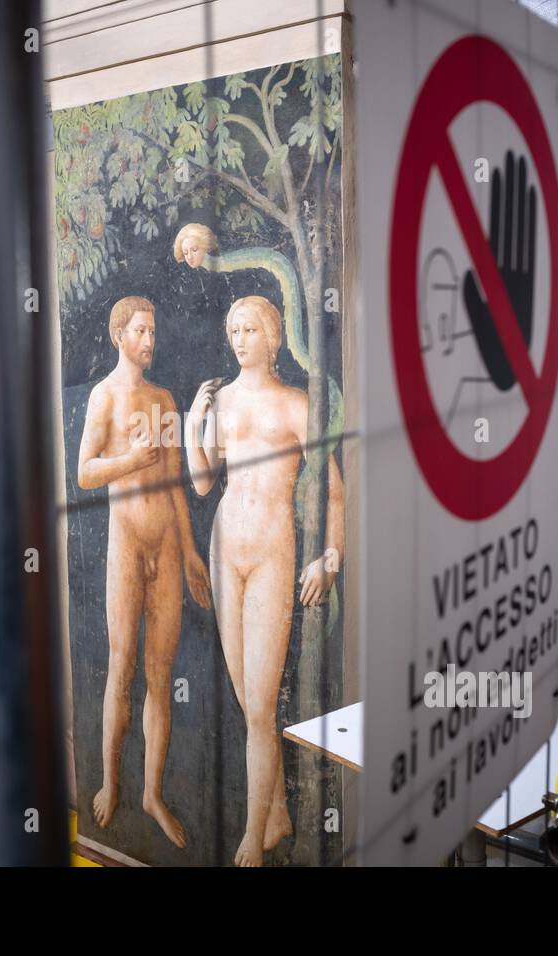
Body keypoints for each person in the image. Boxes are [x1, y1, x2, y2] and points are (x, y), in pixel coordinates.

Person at [186, 295, 344, 866]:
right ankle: (275, 812)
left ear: (273, 337)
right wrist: (192, 425)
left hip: (274, 552)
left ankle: (253, 834)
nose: (239, 337)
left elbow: (331, 487)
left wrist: (329, 556)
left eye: (250, 328)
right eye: (233, 328)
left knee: (258, 706)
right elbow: (204, 484)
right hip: (227, 546)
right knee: (246, 694)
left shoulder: (295, 404)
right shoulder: (222, 401)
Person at [76, 295, 211, 849]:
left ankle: (152, 793)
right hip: (127, 548)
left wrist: (191, 553)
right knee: (121, 665)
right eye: (140, 331)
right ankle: (111, 781)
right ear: (118, 336)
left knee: (161, 674)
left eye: (153, 331)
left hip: (168, 548)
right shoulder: (103, 397)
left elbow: (177, 482)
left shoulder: (165, 399)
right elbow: (84, 472)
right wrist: (130, 460)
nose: (150, 340)